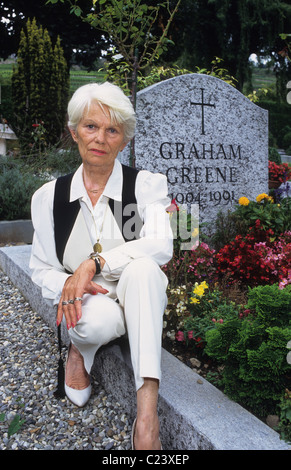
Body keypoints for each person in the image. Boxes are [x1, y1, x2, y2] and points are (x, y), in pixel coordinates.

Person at [29, 81, 173, 450]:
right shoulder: (50, 198)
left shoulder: (143, 187)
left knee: (143, 269)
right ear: (73, 130)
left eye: (112, 130)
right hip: (92, 302)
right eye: (91, 126)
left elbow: (161, 244)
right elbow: (42, 266)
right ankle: (80, 349)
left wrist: (94, 263)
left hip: (134, 287)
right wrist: (67, 285)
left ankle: (146, 417)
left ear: (124, 141)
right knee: (97, 322)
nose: (100, 138)